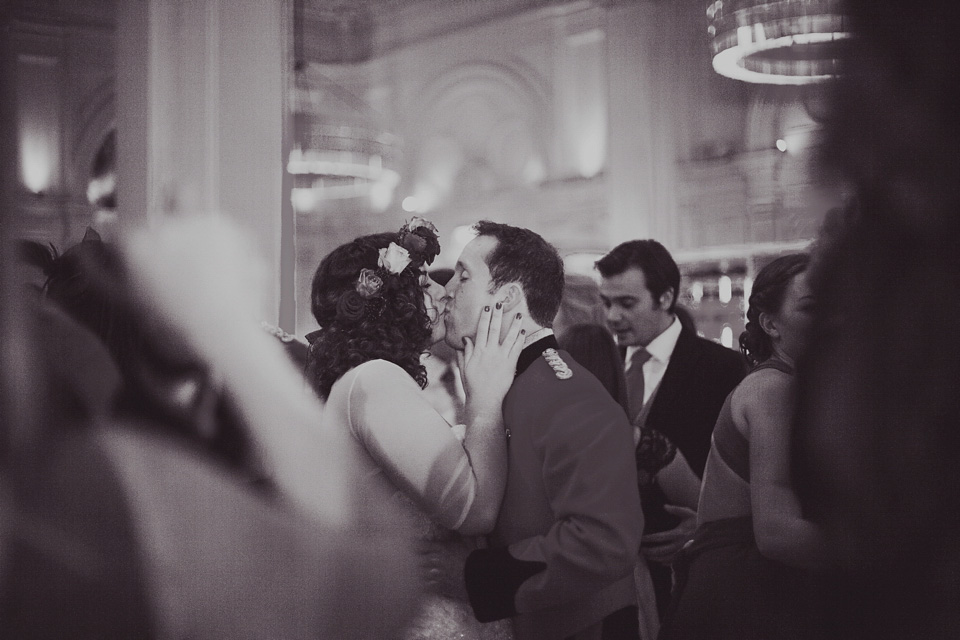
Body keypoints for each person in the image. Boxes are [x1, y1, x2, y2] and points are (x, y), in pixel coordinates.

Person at [305, 218, 524, 640]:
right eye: (424, 285)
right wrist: (485, 401)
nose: (444, 291)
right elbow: (474, 510)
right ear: (389, 301)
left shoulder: (367, 380)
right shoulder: (372, 379)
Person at [440, 221, 646, 640]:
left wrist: (472, 575)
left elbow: (604, 541)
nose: (446, 291)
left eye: (463, 276)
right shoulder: (509, 385)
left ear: (509, 298)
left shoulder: (569, 396)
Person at [659, 253, 823, 640]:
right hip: (744, 595)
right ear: (771, 324)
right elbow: (776, 532)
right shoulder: (773, 388)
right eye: (813, 307)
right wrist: (886, 552)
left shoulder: (796, 388)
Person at [596, 239, 745, 595]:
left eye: (627, 303)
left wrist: (708, 527)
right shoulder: (600, 366)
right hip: (609, 571)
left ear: (664, 298)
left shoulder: (721, 367)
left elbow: (743, 472)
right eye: (606, 303)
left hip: (689, 573)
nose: (613, 316)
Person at [558, 323, 701, 624]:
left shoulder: (539, 445)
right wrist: (694, 529)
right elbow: (712, 513)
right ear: (614, 373)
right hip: (635, 589)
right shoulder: (646, 447)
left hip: (561, 585)